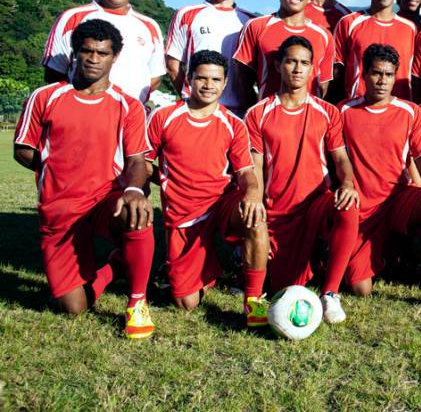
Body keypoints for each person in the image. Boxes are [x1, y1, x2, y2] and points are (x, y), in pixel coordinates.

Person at [15, 19, 156, 338]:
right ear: (75, 54)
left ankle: (137, 303)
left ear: (114, 57)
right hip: (60, 207)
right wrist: (54, 169)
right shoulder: (45, 97)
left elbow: (136, 159)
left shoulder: (128, 106)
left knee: (138, 213)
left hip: (104, 199)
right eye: (86, 51)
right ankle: (117, 265)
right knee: (74, 307)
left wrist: (134, 190)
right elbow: (23, 149)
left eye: (102, 53)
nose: (93, 58)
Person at [146, 50, 270, 323]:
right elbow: (142, 163)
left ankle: (254, 303)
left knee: (256, 217)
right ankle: (191, 269)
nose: (208, 85)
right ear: (189, 78)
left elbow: (247, 171)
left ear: (225, 83)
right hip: (183, 212)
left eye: (215, 79)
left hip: (220, 204)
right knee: (186, 303)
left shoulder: (233, 124)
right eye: (201, 78)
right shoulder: (163, 117)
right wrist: (166, 178)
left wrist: (252, 194)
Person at [245, 36, 360, 323]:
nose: (298, 68)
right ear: (278, 65)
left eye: (305, 63)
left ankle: (330, 293)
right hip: (277, 212)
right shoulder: (258, 113)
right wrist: (257, 207)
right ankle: (266, 284)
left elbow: (341, 158)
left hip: (314, 205)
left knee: (349, 205)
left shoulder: (328, 112)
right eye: (291, 61)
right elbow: (254, 168)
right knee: (284, 285)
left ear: (313, 69)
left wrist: (347, 183)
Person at [340, 44, 421, 299]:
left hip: (397, 197)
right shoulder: (344, 111)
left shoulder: (410, 111)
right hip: (362, 206)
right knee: (360, 289)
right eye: (376, 73)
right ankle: (379, 256)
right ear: (364, 75)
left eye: (389, 75)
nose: (382, 80)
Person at [42, 0, 165, 103]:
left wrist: (129, 105)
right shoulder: (72, 18)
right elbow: (54, 73)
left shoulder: (150, 26)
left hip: (131, 120)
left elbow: (154, 78)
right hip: (82, 116)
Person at [165, 0, 256, 117]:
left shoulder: (251, 22)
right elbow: (172, 64)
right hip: (196, 110)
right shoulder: (186, 15)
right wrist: (191, 97)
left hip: (237, 112)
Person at [234, 0, 335, 102]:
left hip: (310, 121)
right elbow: (243, 82)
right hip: (267, 119)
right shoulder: (256, 27)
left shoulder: (324, 36)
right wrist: (257, 114)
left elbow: (323, 86)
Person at [334, 0, 417, 100]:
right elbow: (337, 74)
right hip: (357, 109)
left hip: (398, 113)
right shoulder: (348, 23)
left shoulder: (410, 29)